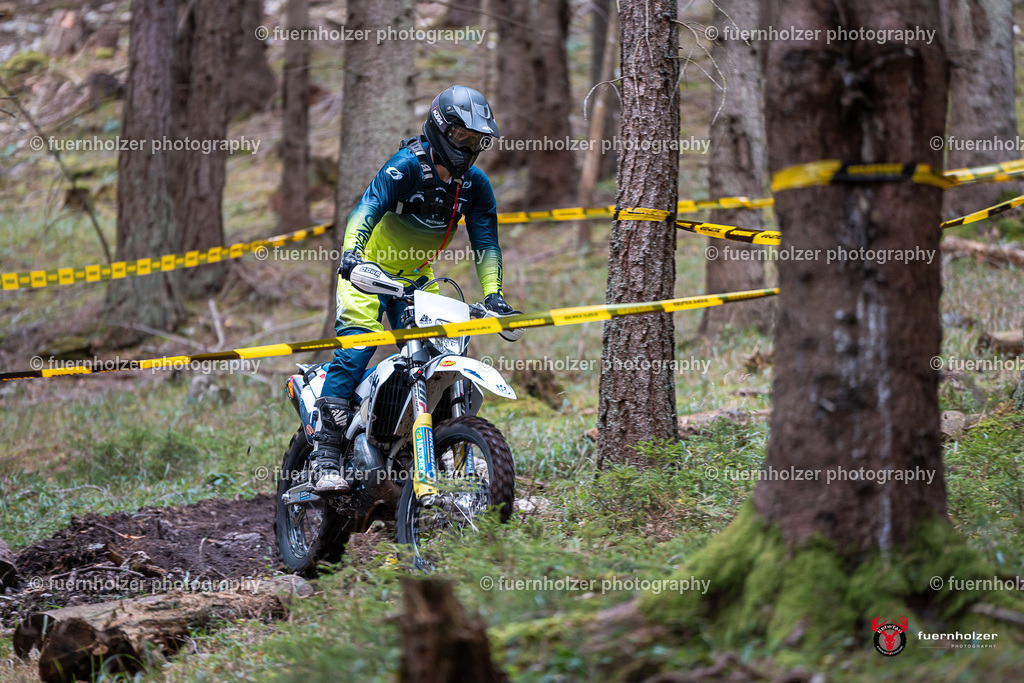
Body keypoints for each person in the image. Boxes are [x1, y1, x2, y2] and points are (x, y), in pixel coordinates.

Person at [309, 85, 520, 493]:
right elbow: (366, 209)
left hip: (415, 279)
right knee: (357, 349)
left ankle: (422, 446)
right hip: (368, 273)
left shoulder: (475, 186)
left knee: (438, 355)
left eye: (477, 141)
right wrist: (352, 255)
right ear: (441, 129)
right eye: (462, 136)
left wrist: (494, 294)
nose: (468, 147)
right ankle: (326, 455)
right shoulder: (405, 167)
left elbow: (487, 244)